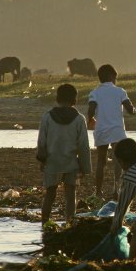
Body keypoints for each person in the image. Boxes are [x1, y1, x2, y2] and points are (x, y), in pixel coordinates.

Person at [36, 83, 91, 226]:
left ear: (58, 98)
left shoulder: (47, 117)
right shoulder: (79, 119)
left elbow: (42, 142)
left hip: (51, 161)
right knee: (70, 194)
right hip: (71, 162)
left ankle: (44, 223)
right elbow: (84, 145)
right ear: (74, 99)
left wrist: (42, 160)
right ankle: (69, 223)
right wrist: (85, 168)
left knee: (50, 193)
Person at [87, 64, 136, 199]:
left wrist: (90, 119)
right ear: (112, 77)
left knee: (101, 161)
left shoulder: (95, 92)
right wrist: (133, 110)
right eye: (115, 78)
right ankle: (116, 189)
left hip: (101, 130)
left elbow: (91, 109)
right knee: (118, 160)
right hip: (117, 130)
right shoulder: (120, 91)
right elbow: (129, 109)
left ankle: (98, 192)